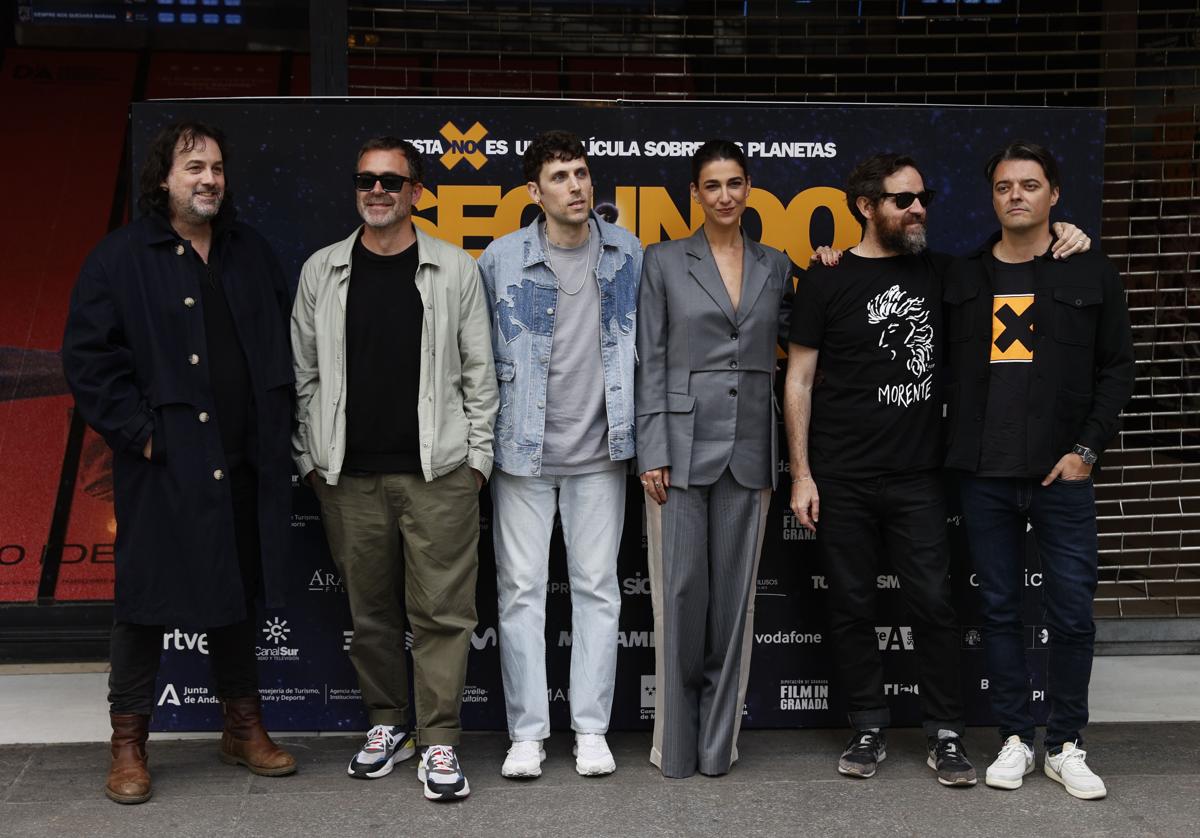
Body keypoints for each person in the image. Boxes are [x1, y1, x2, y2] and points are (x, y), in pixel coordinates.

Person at [785, 152, 1089, 787]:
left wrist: (1068, 231)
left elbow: (1012, 255)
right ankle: (867, 726)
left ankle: (945, 734)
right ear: (866, 207)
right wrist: (803, 474)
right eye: (902, 200)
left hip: (921, 475)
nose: (917, 208)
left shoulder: (948, 274)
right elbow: (800, 380)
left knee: (934, 606)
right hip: (841, 474)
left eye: (922, 197)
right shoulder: (824, 279)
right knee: (851, 607)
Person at [63, 121, 297, 805]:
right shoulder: (118, 258)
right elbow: (89, 360)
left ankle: (242, 727)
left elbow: (281, 350)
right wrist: (144, 436)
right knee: (143, 604)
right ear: (163, 179)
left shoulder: (249, 251)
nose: (210, 180)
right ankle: (128, 746)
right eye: (195, 167)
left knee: (236, 593)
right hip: (161, 465)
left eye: (218, 167)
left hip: (244, 460)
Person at [291, 137, 497, 802]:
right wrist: (310, 460)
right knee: (371, 615)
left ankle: (439, 741)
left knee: (442, 614)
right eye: (365, 180)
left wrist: (478, 463)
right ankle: (388, 725)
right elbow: (302, 378)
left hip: (439, 475)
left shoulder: (453, 269)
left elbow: (480, 376)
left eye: (391, 180)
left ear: (416, 192)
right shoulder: (322, 270)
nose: (376, 190)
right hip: (348, 477)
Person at [943, 141, 1133, 799]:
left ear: (1054, 194)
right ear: (992, 198)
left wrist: (1087, 449)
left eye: (1029, 185)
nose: (1016, 195)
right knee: (997, 611)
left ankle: (1069, 743)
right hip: (985, 472)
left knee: (1073, 612)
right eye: (1003, 186)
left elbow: (1118, 369)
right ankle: (1016, 740)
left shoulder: (1091, 273)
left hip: (1064, 473)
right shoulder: (962, 277)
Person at [477, 131, 642, 779]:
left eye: (581, 173)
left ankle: (591, 730)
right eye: (560, 177)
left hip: (602, 451)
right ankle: (527, 734)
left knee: (598, 591)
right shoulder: (499, 260)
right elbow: (476, 355)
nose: (576, 186)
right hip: (521, 452)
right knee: (519, 593)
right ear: (533, 193)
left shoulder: (628, 253)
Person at [636, 139, 792, 779]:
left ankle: (717, 746)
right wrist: (650, 447)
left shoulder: (776, 264)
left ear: (748, 188)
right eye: (711, 185)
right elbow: (648, 356)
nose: (724, 195)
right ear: (694, 195)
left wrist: (834, 265)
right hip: (677, 450)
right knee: (678, 599)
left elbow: (800, 333)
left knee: (734, 608)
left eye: (734, 183)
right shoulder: (664, 261)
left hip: (750, 449)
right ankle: (674, 747)